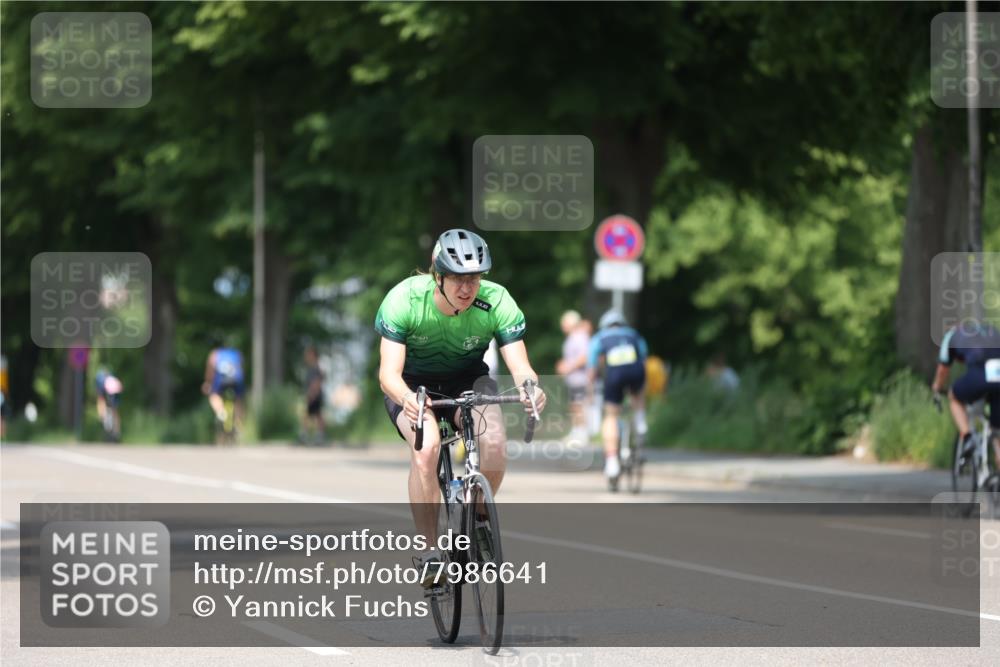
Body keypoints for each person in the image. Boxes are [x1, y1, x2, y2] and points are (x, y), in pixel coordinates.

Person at [375, 228, 546, 586]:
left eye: (474, 279)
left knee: (496, 445)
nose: (467, 288)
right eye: (457, 279)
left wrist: (530, 388)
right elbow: (387, 374)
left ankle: (478, 519)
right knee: (428, 449)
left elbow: (520, 367)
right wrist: (408, 399)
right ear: (438, 275)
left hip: (468, 380)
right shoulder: (403, 300)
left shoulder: (497, 301)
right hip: (411, 385)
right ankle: (429, 549)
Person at [587, 310, 648, 484]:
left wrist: (590, 391)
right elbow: (643, 360)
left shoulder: (600, 337)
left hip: (615, 375)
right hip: (636, 372)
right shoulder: (634, 335)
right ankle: (641, 421)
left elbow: (592, 368)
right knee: (638, 394)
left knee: (611, 415)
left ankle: (612, 462)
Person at [932, 321, 1000, 466]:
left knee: (954, 396)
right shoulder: (990, 330)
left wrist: (937, 387)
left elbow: (943, 369)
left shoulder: (951, 336)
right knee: (997, 428)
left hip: (979, 374)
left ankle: (967, 437)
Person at [556, 310, 590, 445]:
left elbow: (584, 357)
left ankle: (582, 434)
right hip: (573, 379)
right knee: (574, 405)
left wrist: (568, 367)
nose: (562, 325)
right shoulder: (572, 337)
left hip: (580, 378)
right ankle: (576, 431)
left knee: (578, 405)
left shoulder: (579, 337)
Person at [202, 341, 245, 426]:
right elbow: (241, 367)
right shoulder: (236, 353)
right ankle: (239, 423)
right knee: (239, 399)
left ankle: (221, 412)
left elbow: (210, 369)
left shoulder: (215, 354)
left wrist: (207, 382)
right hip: (237, 379)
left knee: (213, 395)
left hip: (221, 379)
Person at [301, 345, 326, 445]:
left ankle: (308, 435)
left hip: (315, 395)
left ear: (313, 355)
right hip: (314, 394)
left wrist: (312, 393)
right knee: (315, 415)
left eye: (308, 355)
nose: (306, 357)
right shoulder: (313, 367)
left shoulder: (316, 367)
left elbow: (317, 381)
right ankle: (317, 435)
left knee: (311, 415)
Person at [94, 367, 123, 442]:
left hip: (114, 390)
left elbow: (101, 398)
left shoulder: (105, 381)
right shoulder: (103, 381)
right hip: (112, 390)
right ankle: (116, 430)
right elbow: (101, 398)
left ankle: (115, 430)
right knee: (112, 410)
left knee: (113, 410)